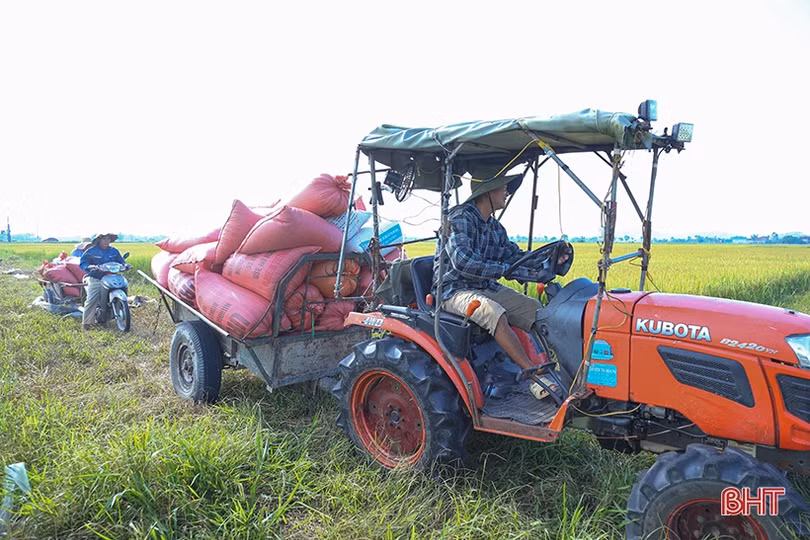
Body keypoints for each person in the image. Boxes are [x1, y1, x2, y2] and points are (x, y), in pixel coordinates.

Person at [433, 170, 571, 399]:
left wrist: (550, 258)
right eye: (503, 186)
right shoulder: (459, 219)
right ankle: (532, 375)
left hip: (484, 287)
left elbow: (514, 257)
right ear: (486, 191)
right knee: (493, 312)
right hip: (453, 290)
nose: (507, 191)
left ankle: (559, 370)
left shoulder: (495, 228)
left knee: (536, 310)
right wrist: (504, 270)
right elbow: (463, 262)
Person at [79, 233, 127, 330]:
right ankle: (86, 323)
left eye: (108, 239)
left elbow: (121, 261)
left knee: (124, 286)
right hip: (97, 278)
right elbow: (83, 263)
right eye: (104, 239)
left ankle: (118, 312)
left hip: (112, 276)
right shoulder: (91, 251)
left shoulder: (114, 251)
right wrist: (90, 266)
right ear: (99, 240)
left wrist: (125, 265)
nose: (106, 241)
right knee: (91, 299)